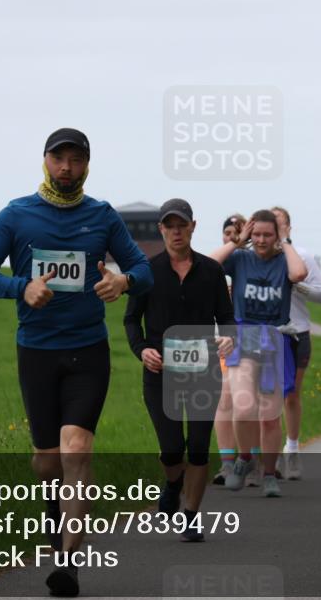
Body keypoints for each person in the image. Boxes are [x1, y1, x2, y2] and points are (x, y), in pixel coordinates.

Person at [0, 128, 153, 597]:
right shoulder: (17, 215)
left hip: (88, 350)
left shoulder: (102, 216)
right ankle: (58, 523)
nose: (67, 167)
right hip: (37, 350)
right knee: (48, 461)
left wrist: (123, 282)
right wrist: (21, 287)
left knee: (77, 449)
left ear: (88, 164)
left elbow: (144, 268)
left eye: (76, 159)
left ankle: (68, 563)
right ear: (45, 161)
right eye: (59, 158)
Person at [123, 199, 234, 542]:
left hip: (203, 372)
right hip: (160, 374)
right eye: (169, 226)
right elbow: (131, 319)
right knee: (172, 448)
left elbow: (226, 318)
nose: (176, 231)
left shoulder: (212, 271)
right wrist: (143, 350)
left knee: (198, 446)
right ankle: (172, 483)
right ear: (161, 230)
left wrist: (229, 339)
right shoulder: (147, 271)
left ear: (192, 227)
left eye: (181, 225)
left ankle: (190, 516)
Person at [210, 210, 307, 497]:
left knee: (269, 415)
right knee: (243, 406)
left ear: (276, 236)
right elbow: (210, 264)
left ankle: (268, 475)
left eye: (268, 235)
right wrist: (237, 242)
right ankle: (244, 458)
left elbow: (299, 273)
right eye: (257, 235)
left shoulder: (283, 261)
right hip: (243, 333)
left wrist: (285, 241)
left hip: (273, 337)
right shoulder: (241, 259)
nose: (262, 240)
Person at [271, 206, 321, 481]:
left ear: (288, 229)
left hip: (297, 333)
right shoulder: (255, 259)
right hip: (267, 334)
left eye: (280, 226)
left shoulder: (303, 256)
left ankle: (292, 448)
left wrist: (298, 285)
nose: (276, 231)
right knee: (265, 398)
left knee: (291, 395)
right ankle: (268, 457)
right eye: (271, 225)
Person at [213, 214, 247, 486]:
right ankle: (226, 464)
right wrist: (234, 244)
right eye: (227, 232)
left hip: (254, 339)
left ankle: (253, 461)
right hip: (224, 339)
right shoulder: (217, 264)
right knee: (224, 400)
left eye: (237, 231)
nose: (232, 236)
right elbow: (210, 262)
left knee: (249, 403)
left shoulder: (252, 263)